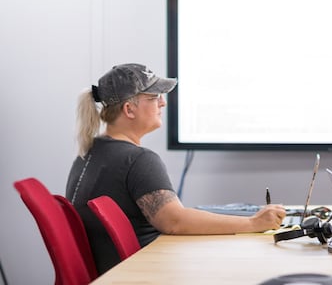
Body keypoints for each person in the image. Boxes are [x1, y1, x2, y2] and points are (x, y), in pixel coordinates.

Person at [66, 63, 286, 274]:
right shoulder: (137, 160)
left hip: (118, 272)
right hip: (142, 274)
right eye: (154, 97)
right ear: (129, 109)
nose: (163, 103)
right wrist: (253, 223)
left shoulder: (89, 153)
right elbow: (174, 221)